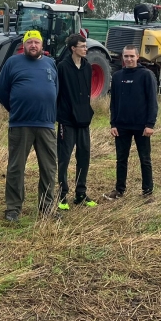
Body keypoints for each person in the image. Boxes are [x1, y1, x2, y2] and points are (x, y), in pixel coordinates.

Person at [0, 29, 59, 221]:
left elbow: (56, 90)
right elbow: (1, 92)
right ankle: (13, 209)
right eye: (29, 42)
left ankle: (47, 207)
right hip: (21, 123)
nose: (33, 45)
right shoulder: (12, 62)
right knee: (16, 168)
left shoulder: (50, 63)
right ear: (23, 45)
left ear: (42, 45)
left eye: (36, 42)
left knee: (49, 168)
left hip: (46, 124)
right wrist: (17, 108)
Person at [104, 45, 158, 200]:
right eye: (126, 56)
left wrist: (150, 124)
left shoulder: (146, 75)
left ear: (137, 57)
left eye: (131, 56)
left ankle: (147, 192)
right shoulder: (117, 76)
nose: (129, 59)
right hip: (122, 126)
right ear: (122, 57)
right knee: (121, 159)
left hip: (142, 126)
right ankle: (119, 190)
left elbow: (152, 102)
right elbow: (114, 102)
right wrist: (113, 124)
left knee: (145, 159)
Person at [56, 33, 96, 210]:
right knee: (64, 158)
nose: (85, 49)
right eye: (82, 46)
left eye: (86, 46)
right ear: (73, 48)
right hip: (67, 120)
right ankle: (62, 195)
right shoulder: (62, 67)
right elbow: (58, 93)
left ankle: (81, 193)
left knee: (84, 156)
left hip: (84, 120)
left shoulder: (88, 67)